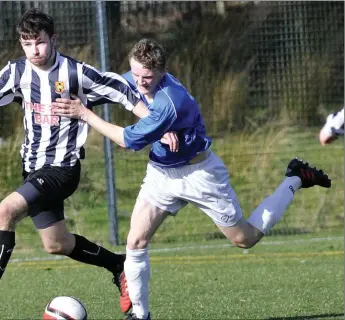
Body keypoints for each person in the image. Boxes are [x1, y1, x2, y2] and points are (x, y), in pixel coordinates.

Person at [52, 38, 332, 320]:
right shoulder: (135, 80)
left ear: (162, 71)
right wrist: (60, 87)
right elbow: (107, 89)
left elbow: (127, 140)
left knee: (244, 239)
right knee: (135, 241)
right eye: (135, 75)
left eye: (147, 77)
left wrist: (84, 114)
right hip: (161, 174)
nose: (140, 83)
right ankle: (140, 315)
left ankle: (295, 177)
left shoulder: (171, 100)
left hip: (200, 174)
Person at [0, 10, 168, 320]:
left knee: (5, 211)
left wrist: (157, 125)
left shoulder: (75, 72)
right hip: (33, 168)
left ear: (52, 40)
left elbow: (122, 90)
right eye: (27, 44)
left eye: (40, 43)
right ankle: (118, 266)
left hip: (62, 169)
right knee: (56, 244)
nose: (34, 51)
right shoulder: (15, 72)